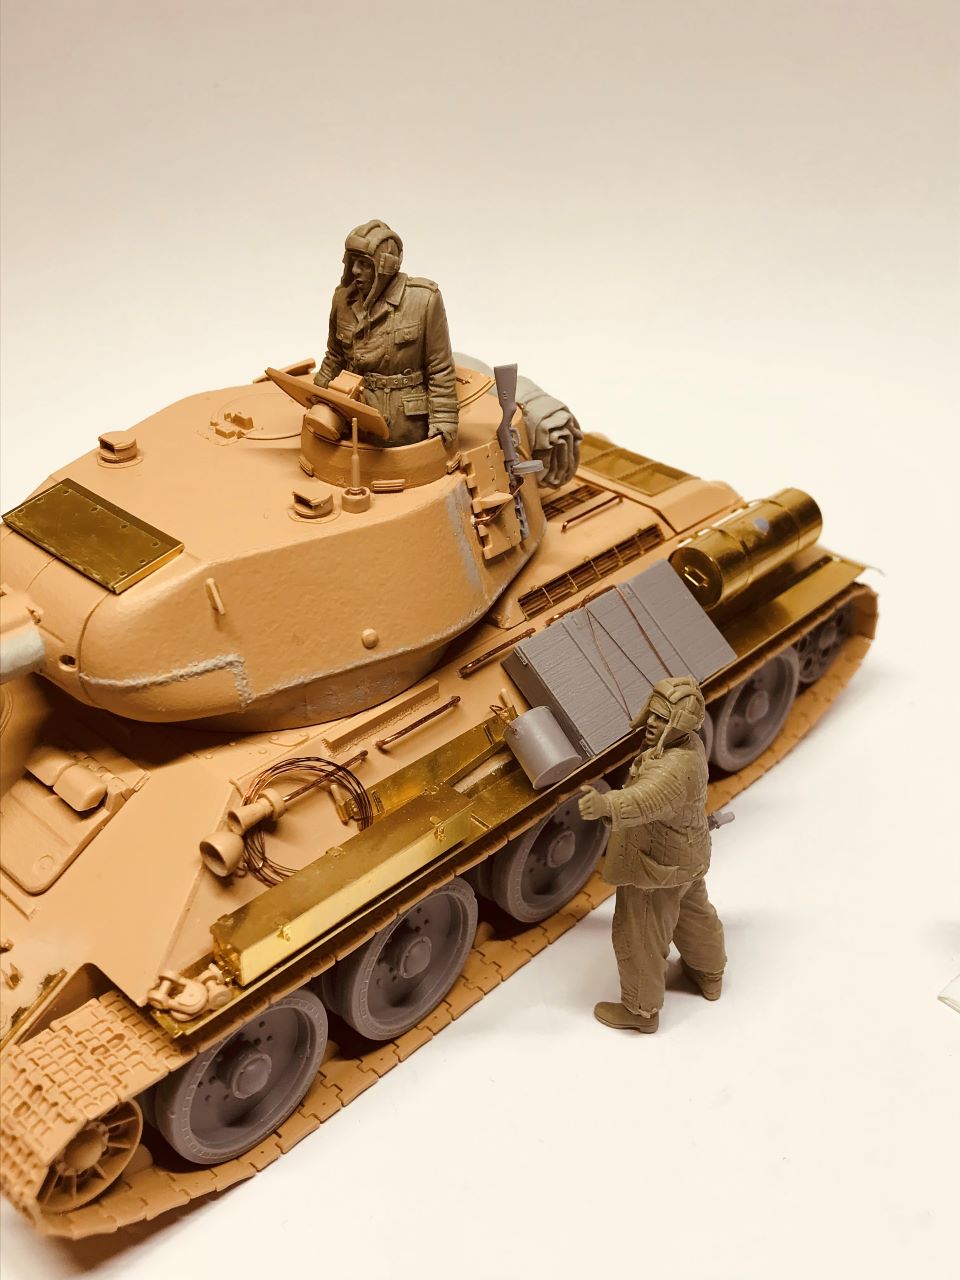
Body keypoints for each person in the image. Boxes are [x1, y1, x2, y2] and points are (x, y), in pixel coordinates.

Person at [578, 676, 726, 1033]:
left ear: (679, 725)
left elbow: (644, 798)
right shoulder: (690, 744)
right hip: (687, 857)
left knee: (640, 934)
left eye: (663, 719)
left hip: (655, 867)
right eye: (653, 715)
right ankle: (709, 973)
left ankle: (641, 1011)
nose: (652, 724)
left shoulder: (672, 769)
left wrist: (604, 805)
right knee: (693, 916)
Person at [314, 220, 458, 446]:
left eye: (364, 264)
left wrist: (444, 419)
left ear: (384, 268)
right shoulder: (343, 299)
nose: (355, 270)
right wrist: (317, 395)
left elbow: (440, 367)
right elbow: (335, 356)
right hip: (354, 412)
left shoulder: (423, 300)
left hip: (406, 424)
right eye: (353, 262)